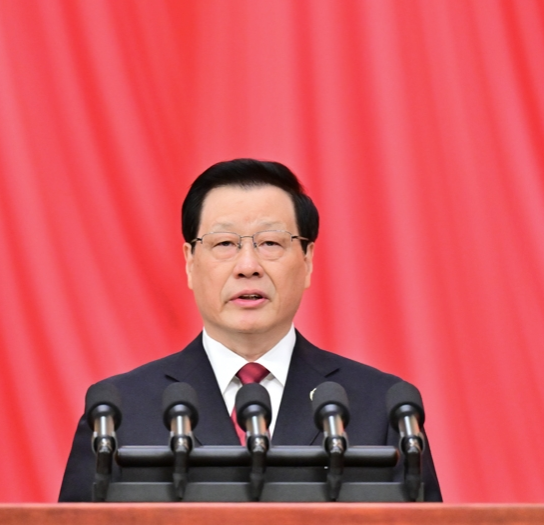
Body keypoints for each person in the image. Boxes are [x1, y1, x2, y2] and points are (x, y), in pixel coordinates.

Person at [59, 158, 442, 501]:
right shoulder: (119, 411)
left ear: (307, 260)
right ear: (190, 262)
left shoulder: (381, 406)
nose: (247, 266)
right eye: (224, 243)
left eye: (270, 243)